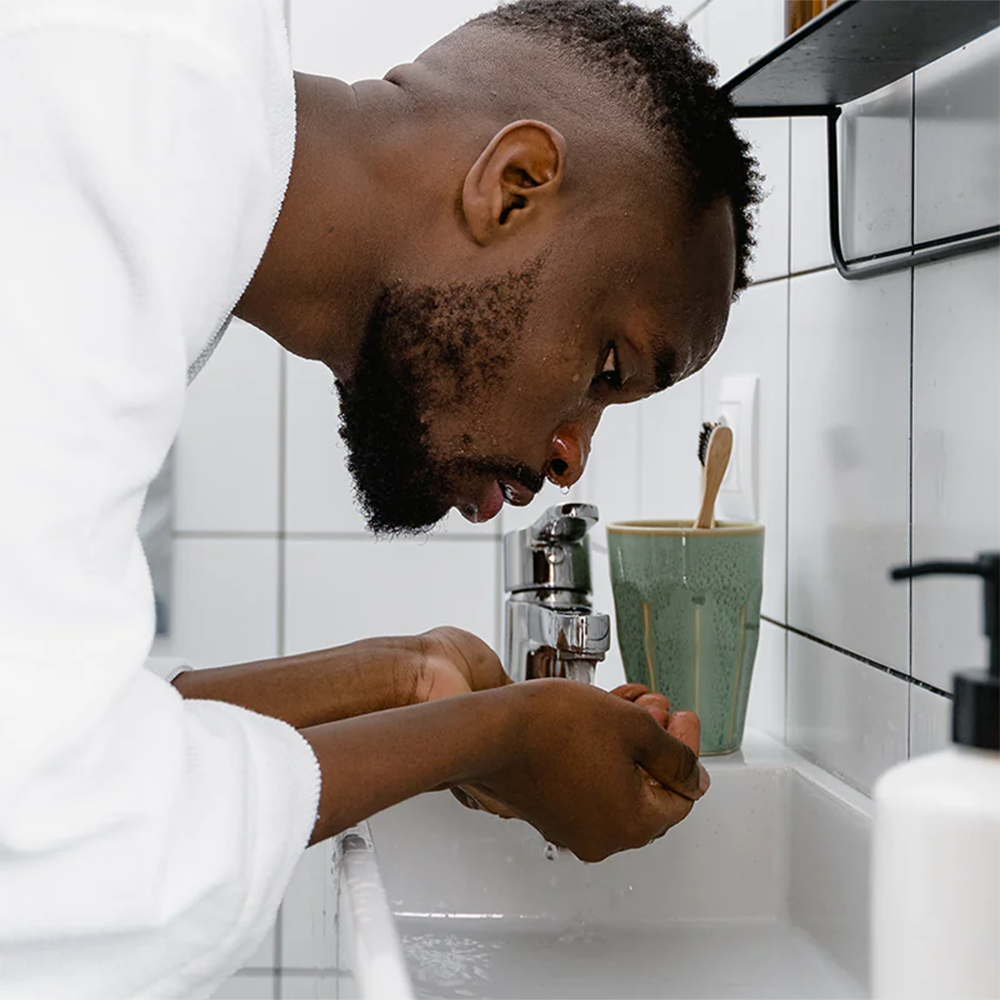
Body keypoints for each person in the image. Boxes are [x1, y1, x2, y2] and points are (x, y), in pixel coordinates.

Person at [0, 0, 761, 996]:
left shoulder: (168, 131)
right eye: (606, 364)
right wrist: (503, 733)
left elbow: (44, 721)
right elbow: (45, 846)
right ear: (514, 186)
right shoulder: (131, 111)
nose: (572, 459)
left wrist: (404, 676)